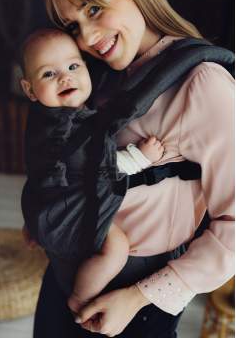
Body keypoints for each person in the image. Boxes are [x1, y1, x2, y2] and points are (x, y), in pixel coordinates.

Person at [25, 0, 234, 337]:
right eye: (73, 26)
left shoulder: (203, 84)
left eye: (93, 9)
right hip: (67, 270)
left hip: (133, 299)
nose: (87, 36)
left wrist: (137, 298)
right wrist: (47, 213)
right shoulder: (96, 76)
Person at [20, 28, 166, 314]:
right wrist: (139, 158)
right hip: (64, 213)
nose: (65, 77)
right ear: (29, 89)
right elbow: (99, 168)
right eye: (48, 74)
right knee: (117, 248)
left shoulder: (42, 116)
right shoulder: (64, 129)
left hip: (40, 205)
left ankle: (37, 229)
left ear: (87, 69)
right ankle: (80, 296)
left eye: (73, 66)